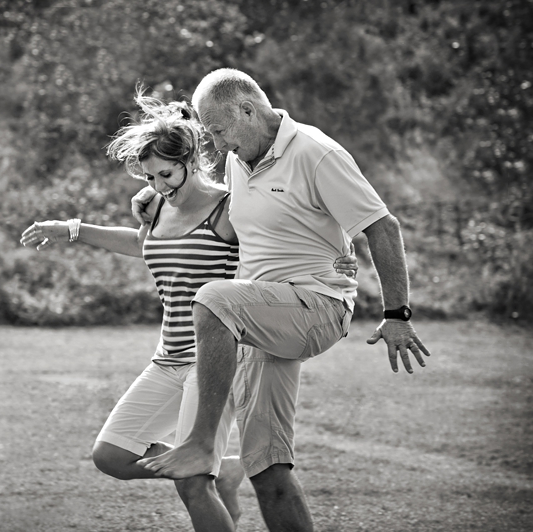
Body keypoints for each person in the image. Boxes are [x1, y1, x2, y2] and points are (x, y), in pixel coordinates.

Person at [19, 90, 359, 532]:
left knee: (193, 484)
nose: (159, 186)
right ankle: (228, 468)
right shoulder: (156, 206)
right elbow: (144, 248)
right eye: (150, 177)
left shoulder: (228, 207)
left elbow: (285, 232)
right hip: (168, 356)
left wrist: (339, 257)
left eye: (166, 174)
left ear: (191, 160)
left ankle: (210, 468)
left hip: (214, 359)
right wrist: (73, 230)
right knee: (112, 457)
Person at [133, 68, 432, 532]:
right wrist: (158, 197)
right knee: (267, 468)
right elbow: (222, 212)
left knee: (213, 298)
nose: (215, 144)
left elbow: (382, 226)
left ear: (248, 110)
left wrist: (397, 314)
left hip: (317, 306)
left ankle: (199, 442)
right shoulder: (241, 158)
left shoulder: (316, 153)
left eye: (218, 130)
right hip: (259, 319)